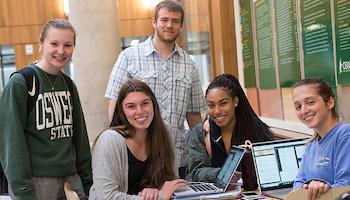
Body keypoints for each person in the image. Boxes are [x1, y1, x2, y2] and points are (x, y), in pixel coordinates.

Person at [104, 0, 206, 178]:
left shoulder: (189, 64)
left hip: (176, 159)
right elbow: (115, 109)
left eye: (175, 21)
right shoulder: (129, 56)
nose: (169, 25)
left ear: (181, 26)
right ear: (154, 22)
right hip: (138, 159)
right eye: (164, 20)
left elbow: (194, 115)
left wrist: (203, 154)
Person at [0, 19, 92, 200]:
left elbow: (80, 138)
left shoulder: (68, 84)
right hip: (37, 184)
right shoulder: (21, 82)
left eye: (67, 45)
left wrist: (88, 182)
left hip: (71, 181)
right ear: (41, 44)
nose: (61, 51)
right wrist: (23, 191)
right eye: (54, 44)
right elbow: (11, 143)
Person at [89, 79, 187, 200]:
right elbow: (107, 197)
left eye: (145, 103)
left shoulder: (165, 131)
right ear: (122, 111)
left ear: (153, 104)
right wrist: (159, 196)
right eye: (131, 106)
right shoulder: (109, 140)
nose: (140, 111)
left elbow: (172, 184)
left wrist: (155, 191)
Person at [187, 74, 274, 188]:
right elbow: (196, 172)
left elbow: (270, 169)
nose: (217, 111)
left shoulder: (258, 131)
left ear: (235, 101)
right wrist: (223, 174)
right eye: (211, 105)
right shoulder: (200, 133)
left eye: (223, 103)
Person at [292, 78, 350, 200]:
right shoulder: (311, 144)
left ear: (330, 103)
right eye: (298, 106)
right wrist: (310, 186)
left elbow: (345, 186)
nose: (304, 111)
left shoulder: (345, 135)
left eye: (310, 102)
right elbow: (297, 185)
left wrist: (323, 188)